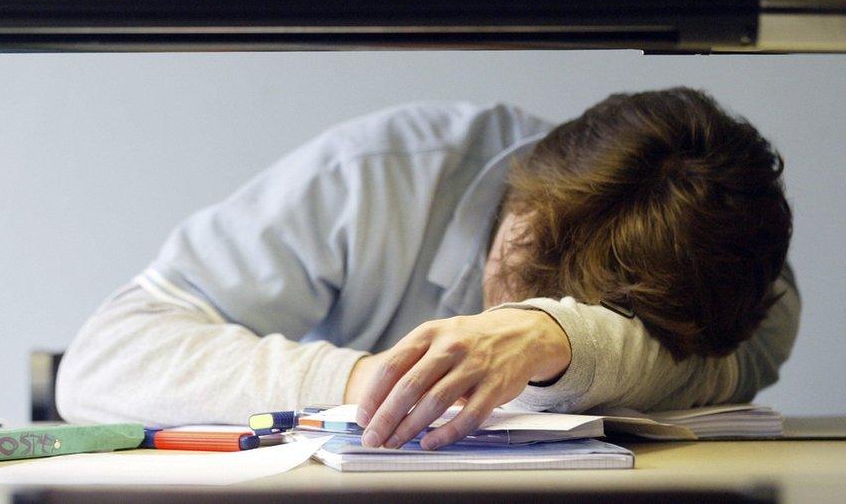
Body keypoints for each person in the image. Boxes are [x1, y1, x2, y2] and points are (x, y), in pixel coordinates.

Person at [56, 87, 799, 451]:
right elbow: (103, 361)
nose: (506, 313)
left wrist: (549, 338)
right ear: (523, 190)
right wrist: (372, 382)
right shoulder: (371, 178)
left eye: (567, 303)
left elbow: (713, 368)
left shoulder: (743, 280)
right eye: (519, 271)